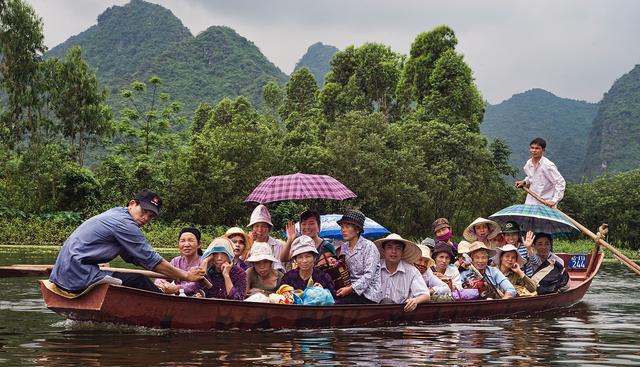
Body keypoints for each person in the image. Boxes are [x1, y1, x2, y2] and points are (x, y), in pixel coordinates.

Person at [49, 189, 204, 294]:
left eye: (151, 216)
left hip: (65, 272)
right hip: (78, 274)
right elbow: (151, 259)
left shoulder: (116, 213)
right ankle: (169, 308)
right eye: (144, 211)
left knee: (135, 279)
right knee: (139, 280)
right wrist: (186, 276)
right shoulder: (125, 224)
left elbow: (133, 257)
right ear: (132, 204)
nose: (146, 218)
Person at [334, 209, 382, 304]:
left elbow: (369, 275)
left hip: (368, 294)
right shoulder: (343, 247)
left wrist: (350, 289)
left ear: (357, 229)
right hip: (349, 291)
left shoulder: (369, 246)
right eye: (342, 227)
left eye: (347, 227)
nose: (343, 230)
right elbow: (343, 270)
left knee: (338, 304)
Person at [375, 234, 430, 312]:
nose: (393, 251)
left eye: (398, 248)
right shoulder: (375, 267)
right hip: (375, 312)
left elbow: (425, 295)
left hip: (401, 313)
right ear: (384, 251)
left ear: (402, 252)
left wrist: (415, 301)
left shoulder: (412, 271)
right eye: (389, 247)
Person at [515, 137, 566, 207]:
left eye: (537, 148)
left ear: (543, 150)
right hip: (531, 202)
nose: (534, 150)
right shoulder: (528, 164)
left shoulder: (548, 165)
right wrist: (524, 182)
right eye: (532, 148)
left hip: (546, 204)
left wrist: (554, 200)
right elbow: (531, 177)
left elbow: (560, 182)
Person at [155, 227, 204, 296]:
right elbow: (160, 277)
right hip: (179, 298)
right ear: (178, 244)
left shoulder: (204, 262)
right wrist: (163, 285)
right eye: (182, 241)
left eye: (191, 240)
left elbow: (195, 286)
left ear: (199, 244)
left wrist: (176, 289)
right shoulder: (176, 261)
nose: (186, 244)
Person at [247, 204, 284, 271]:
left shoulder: (277, 245)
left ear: (269, 229)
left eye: (264, 226)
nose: (260, 230)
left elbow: (278, 267)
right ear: (252, 228)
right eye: (256, 226)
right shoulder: (247, 244)